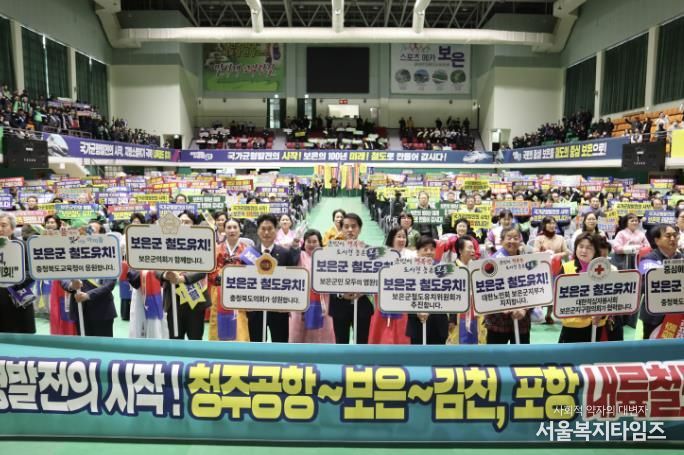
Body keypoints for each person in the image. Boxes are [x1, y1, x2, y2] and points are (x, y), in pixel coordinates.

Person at [248, 213, 300, 342]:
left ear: (276, 230)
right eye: (263, 229)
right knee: (257, 344)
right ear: (258, 231)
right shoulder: (249, 254)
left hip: (279, 310)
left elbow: (291, 280)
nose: (266, 232)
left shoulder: (285, 253)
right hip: (256, 310)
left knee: (280, 343)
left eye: (270, 229)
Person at [160, 211, 210, 340]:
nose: (183, 225)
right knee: (175, 338)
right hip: (173, 299)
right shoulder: (165, 243)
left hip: (195, 298)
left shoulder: (202, 243)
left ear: (194, 225)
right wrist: (166, 274)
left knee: (195, 339)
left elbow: (204, 269)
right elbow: (155, 267)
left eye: (187, 222)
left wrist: (182, 279)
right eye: (180, 222)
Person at [61, 226, 117, 337]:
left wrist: (88, 295)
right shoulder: (70, 254)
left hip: (102, 309)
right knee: (84, 344)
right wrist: (72, 285)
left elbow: (109, 284)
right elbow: (63, 278)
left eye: (92, 231)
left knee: (104, 344)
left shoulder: (108, 255)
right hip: (79, 309)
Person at [328, 213, 374, 344]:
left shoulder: (370, 251)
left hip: (362, 304)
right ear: (341, 229)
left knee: (362, 343)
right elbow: (326, 278)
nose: (350, 230)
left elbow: (375, 278)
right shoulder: (331, 251)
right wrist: (340, 293)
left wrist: (363, 291)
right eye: (346, 226)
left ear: (360, 229)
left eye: (353, 226)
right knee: (341, 342)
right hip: (339, 305)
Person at [557, 233, 607, 343]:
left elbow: (608, 298)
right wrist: (579, 312)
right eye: (581, 246)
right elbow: (560, 300)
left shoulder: (604, 269)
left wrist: (602, 314)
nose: (584, 251)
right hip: (572, 326)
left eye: (589, 248)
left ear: (595, 251)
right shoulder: (566, 268)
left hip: (596, 325)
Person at [485, 227, 531, 344]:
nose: (512, 241)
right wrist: (500, 306)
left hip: (521, 317)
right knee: (497, 353)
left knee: (520, 354)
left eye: (516, 238)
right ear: (501, 241)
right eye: (509, 238)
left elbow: (534, 289)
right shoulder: (491, 263)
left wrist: (524, 309)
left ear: (520, 241)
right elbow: (485, 291)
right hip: (497, 319)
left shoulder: (528, 261)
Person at [207, 218, 250, 342]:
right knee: (217, 320)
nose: (232, 230)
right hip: (219, 291)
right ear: (224, 230)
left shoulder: (247, 250)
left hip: (239, 292)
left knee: (240, 322)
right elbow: (210, 270)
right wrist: (220, 277)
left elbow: (253, 271)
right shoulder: (216, 249)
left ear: (240, 230)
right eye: (229, 227)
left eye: (235, 227)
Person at [368, 227, 413, 345]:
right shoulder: (382, 255)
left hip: (403, 302)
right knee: (380, 331)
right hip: (383, 301)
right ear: (392, 238)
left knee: (401, 330)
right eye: (398, 236)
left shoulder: (412, 256)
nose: (402, 239)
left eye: (404, 237)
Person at [289, 229, 335, 343]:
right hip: (301, 301)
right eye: (308, 241)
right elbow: (292, 256)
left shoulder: (326, 257)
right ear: (304, 243)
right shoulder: (299, 255)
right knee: (298, 331)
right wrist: (295, 243)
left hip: (322, 300)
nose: (311, 244)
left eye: (314, 241)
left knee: (322, 330)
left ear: (320, 243)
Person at [639, 224, 683, 339]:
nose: (673, 239)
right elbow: (643, 287)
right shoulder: (647, 259)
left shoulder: (682, 258)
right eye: (668, 236)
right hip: (655, 317)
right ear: (657, 240)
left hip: (679, 313)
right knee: (652, 348)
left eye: (675, 235)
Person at [405, 236, 450, 345]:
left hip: (438, 324)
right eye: (425, 249)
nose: (429, 252)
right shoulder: (408, 271)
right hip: (417, 323)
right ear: (417, 252)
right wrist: (417, 311)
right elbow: (403, 296)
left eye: (432, 249)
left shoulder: (443, 271)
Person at [0, 212, 35, 333]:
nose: (0, 229)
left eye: (3, 225)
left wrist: (15, 282)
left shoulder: (23, 246)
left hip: (19, 294)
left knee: (22, 333)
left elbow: (32, 272)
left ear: (12, 228)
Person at [533, 216, 569, 324]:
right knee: (542, 292)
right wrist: (545, 254)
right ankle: (538, 314)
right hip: (542, 270)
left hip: (557, 269)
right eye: (549, 223)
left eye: (553, 223)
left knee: (554, 292)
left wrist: (557, 255)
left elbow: (566, 252)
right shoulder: (539, 238)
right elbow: (535, 253)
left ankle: (548, 315)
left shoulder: (560, 238)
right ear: (544, 225)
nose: (552, 225)